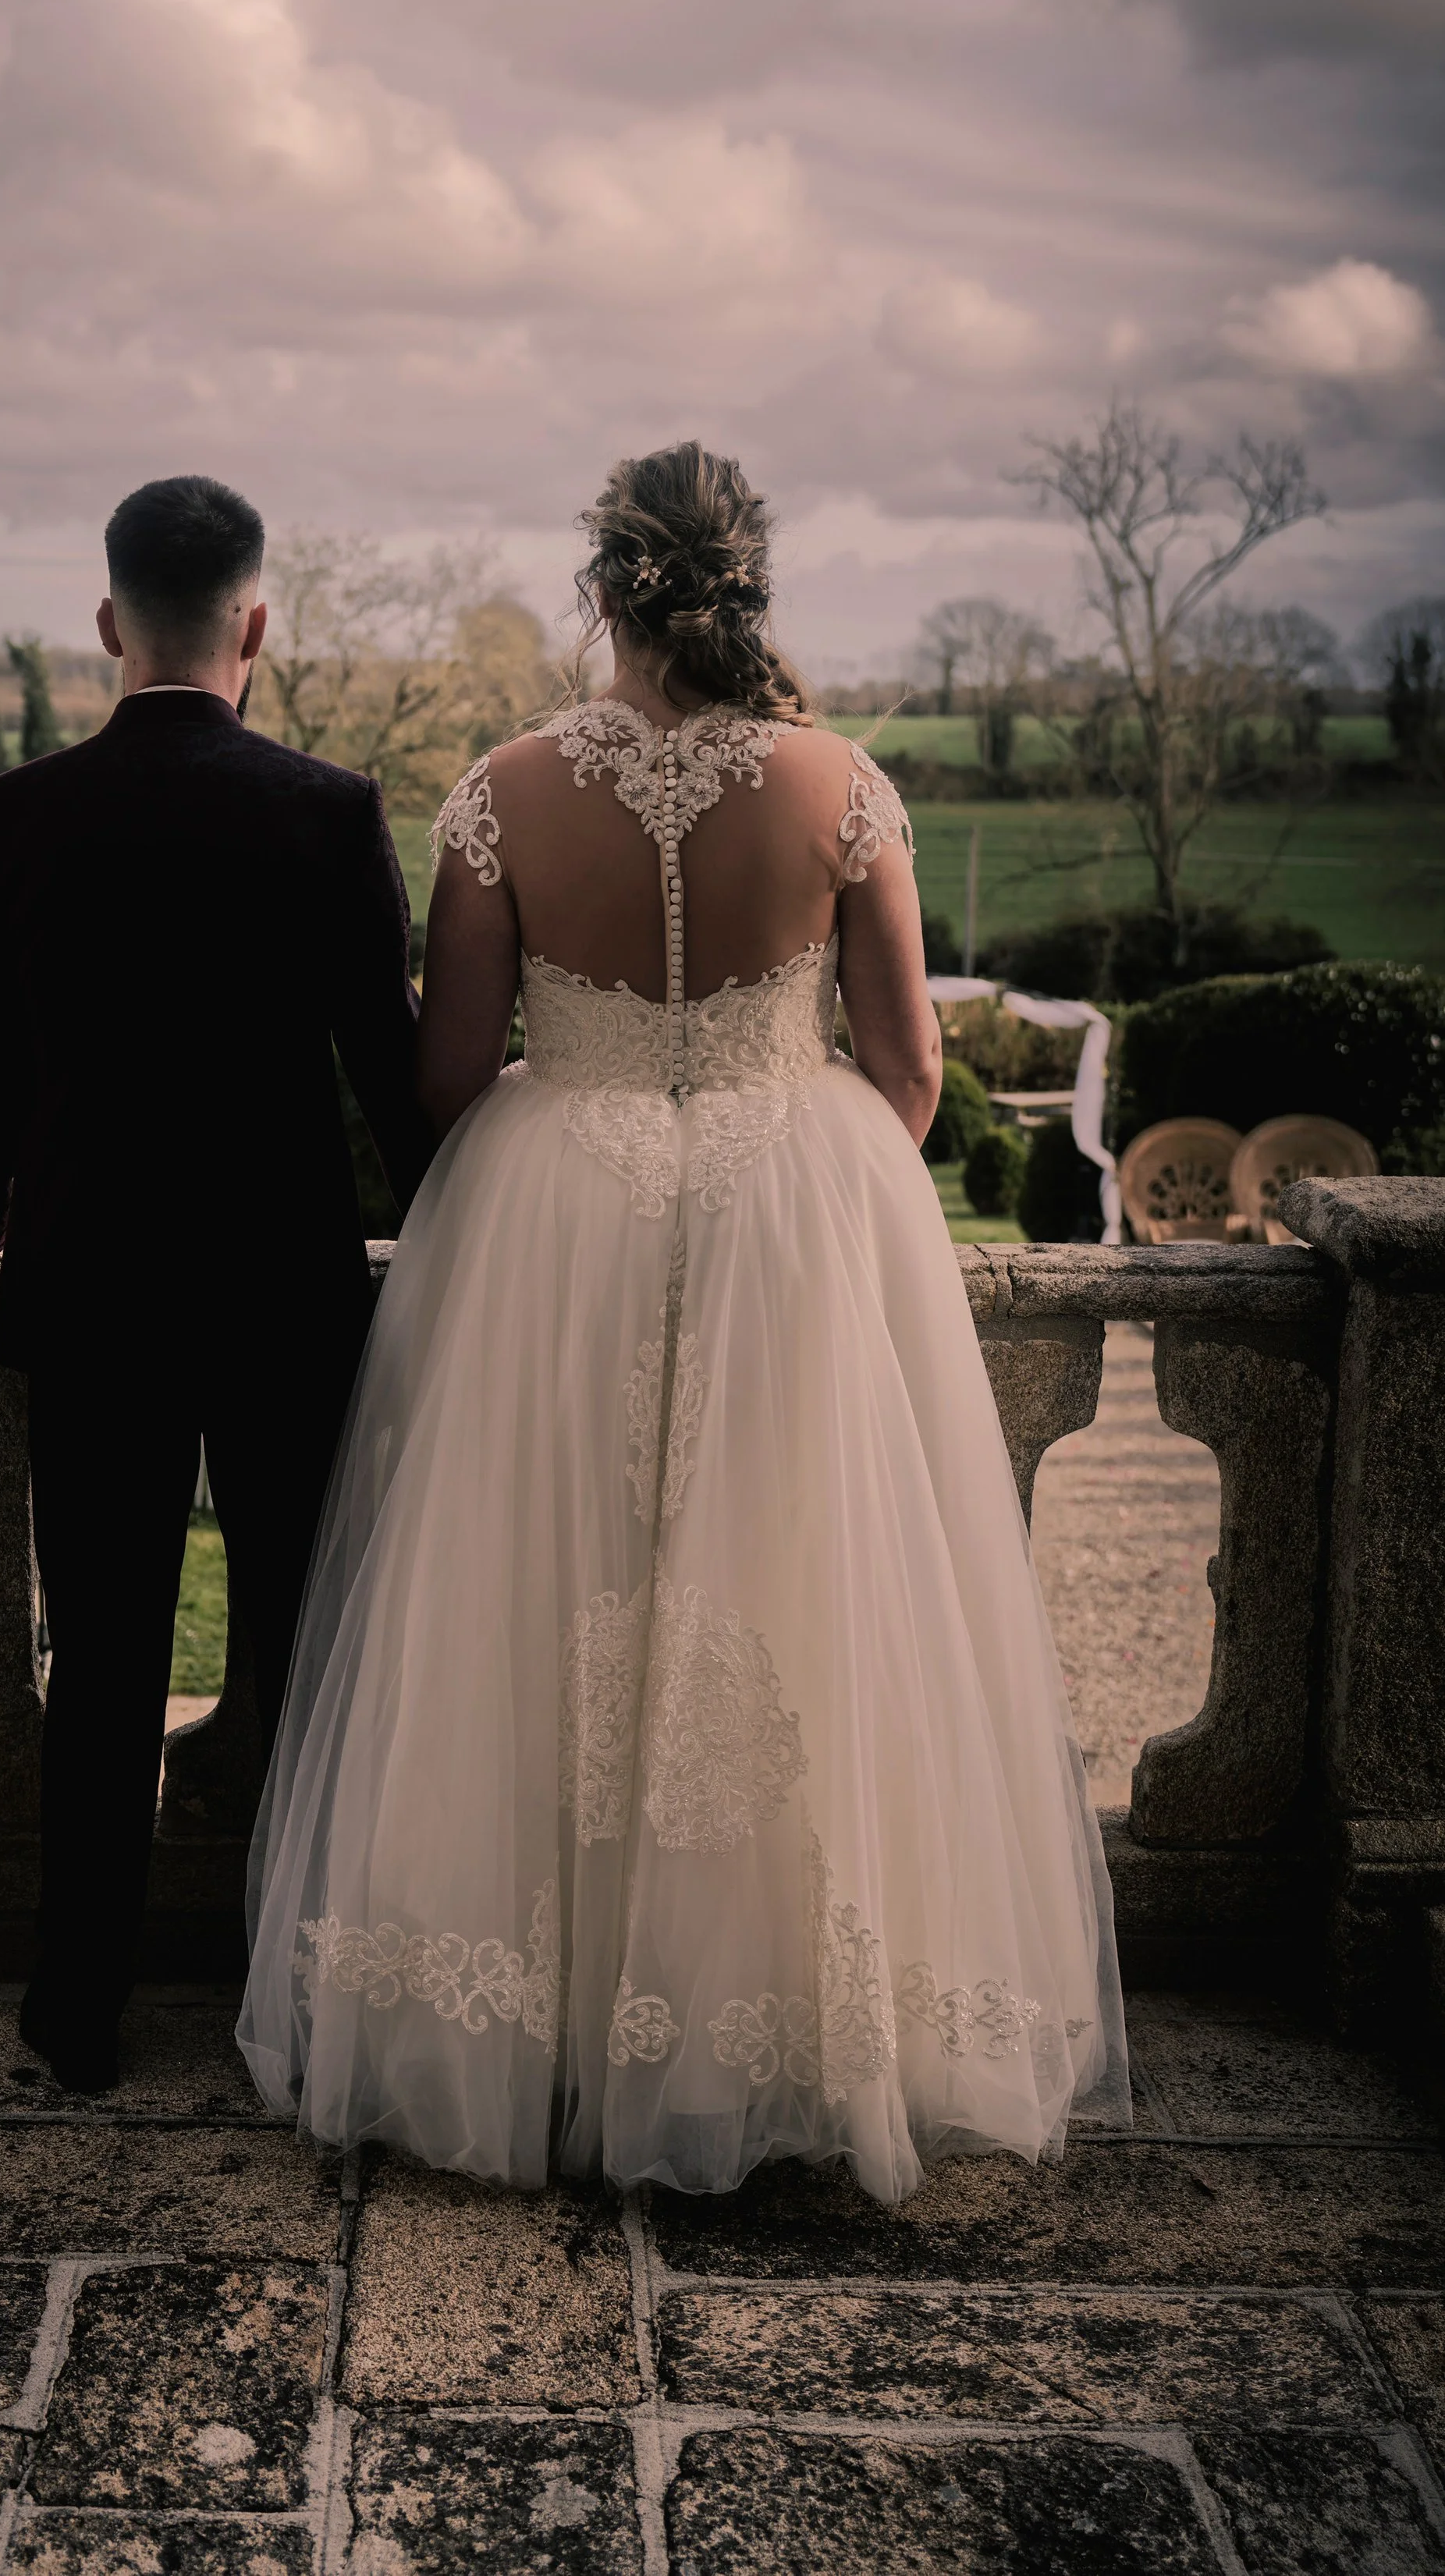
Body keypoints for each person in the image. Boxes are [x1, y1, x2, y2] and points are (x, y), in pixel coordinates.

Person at [239, 441, 1127, 2202]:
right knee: (791, 1591)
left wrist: (568, 1120)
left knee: (531, 1589)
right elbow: (907, 1068)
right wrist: (793, 1172)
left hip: (545, 1209)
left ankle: (535, 2019)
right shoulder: (842, 786)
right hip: (785, 1209)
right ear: (746, 583)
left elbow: (437, 1070)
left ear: (603, 589)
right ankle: (773, 2015)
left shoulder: (500, 790)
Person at [0, 474, 431, 2093]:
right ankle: (319, 2003)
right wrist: (458, 1235)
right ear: (255, 625)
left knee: (107, 1656)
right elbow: (392, 1084)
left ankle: (76, 2007)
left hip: (95, 1293)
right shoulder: (329, 814)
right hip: (283, 1303)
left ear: (109, 621)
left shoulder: (14, 814)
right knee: (308, 1655)